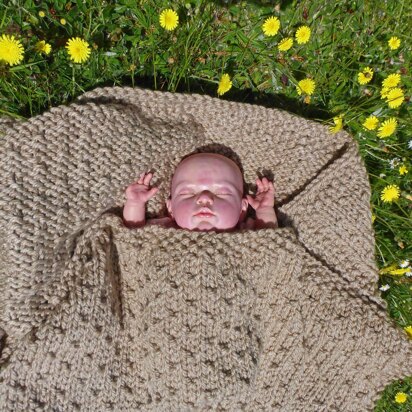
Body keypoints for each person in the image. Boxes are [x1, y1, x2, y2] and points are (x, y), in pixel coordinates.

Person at [122, 153, 278, 231]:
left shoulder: (247, 231)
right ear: (171, 209)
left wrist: (264, 210)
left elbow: (270, 245)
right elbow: (132, 237)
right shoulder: (165, 228)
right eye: (187, 193)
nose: (204, 198)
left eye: (222, 193)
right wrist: (135, 204)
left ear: (242, 208)